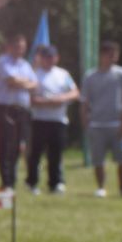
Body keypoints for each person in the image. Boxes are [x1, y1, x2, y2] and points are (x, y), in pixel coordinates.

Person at [80, 41, 122, 198]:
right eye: (109, 54)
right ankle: (101, 187)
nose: (112, 57)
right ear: (101, 55)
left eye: (115, 54)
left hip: (118, 123)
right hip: (96, 124)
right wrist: (85, 122)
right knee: (98, 159)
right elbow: (84, 101)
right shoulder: (90, 76)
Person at [25, 44, 79, 194]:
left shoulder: (63, 74)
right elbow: (28, 97)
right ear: (41, 58)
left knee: (56, 153)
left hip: (58, 120)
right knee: (36, 153)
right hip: (39, 119)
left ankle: (56, 183)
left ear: (56, 57)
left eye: (52, 56)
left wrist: (60, 98)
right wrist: (45, 102)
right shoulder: (34, 74)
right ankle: (32, 182)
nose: (49, 59)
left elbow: (74, 93)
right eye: (46, 57)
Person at [0, 34, 36, 190]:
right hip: (5, 108)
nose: (20, 50)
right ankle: (6, 181)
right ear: (10, 47)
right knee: (5, 144)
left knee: (18, 145)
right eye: (17, 47)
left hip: (21, 109)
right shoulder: (2, 61)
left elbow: (35, 83)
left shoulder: (25, 65)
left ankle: (13, 179)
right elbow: (11, 81)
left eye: (23, 47)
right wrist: (25, 82)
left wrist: (22, 82)